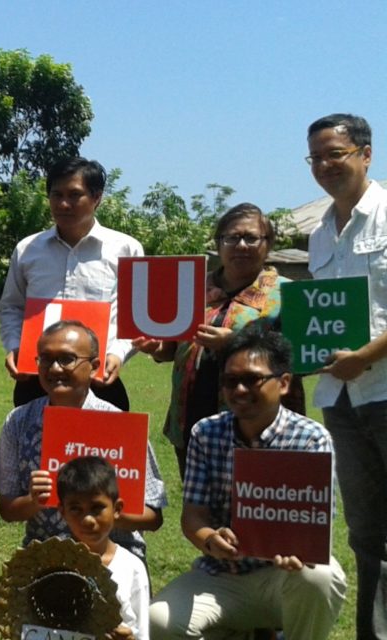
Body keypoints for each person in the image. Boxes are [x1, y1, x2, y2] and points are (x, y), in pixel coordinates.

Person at [149, 325, 347, 639]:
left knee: (319, 576)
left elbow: (315, 528)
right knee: (159, 621)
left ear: (283, 383)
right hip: (224, 575)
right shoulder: (206, 432)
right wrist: (211, 539)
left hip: (283, 578)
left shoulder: (311, 438)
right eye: (230, 381)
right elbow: (193, 516)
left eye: (252, 379)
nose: (239, 390)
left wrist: (294, 548)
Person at [135, 203, 304, 477]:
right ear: (219, 243)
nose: (241, 245)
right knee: (198, 503)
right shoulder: (192, 286)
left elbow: (302, 359)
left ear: (268, 243)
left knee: (254, 503)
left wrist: (236, 343)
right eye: (232, 237)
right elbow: (173, 349)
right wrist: (158, 348)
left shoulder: (287, 294)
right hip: (191, 416)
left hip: (257, 422)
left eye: (251, 238)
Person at [304, 112, 387, 639]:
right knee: (366, 535)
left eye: (335, 153)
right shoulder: (317, 236)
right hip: (339, 398)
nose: (325, 165)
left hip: (384, 389)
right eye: (315, 157)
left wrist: (368, 354)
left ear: (365, 154)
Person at [0, 321, 165, 559]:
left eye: (67, 359)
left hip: (114, 554)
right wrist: (34, 501)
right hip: (46, 552)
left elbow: (153, 516)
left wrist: (99, 509)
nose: (54, 369)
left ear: (94, 366)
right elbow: (8, 509)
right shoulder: (19, 422)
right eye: (45, 359)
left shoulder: (120, 425)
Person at [0, 157, 143, 410]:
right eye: (57, 195)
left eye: (74, 195)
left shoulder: (126, 249)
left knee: (98, 449)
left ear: (97, 198)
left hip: (99, 381)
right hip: (35, 379)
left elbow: (137, 317)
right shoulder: (27, 249)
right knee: (33, 447)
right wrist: (15, 346)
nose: (64, 204)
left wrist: (118, 354)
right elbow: (11, 306)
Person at [55, 456, 150, 640]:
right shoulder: (50, 562)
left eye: (97, 508)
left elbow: (142, 633)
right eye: (76, 509)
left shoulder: (132, 569)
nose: (88, 520)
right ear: (62, 512)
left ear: (117, 508)